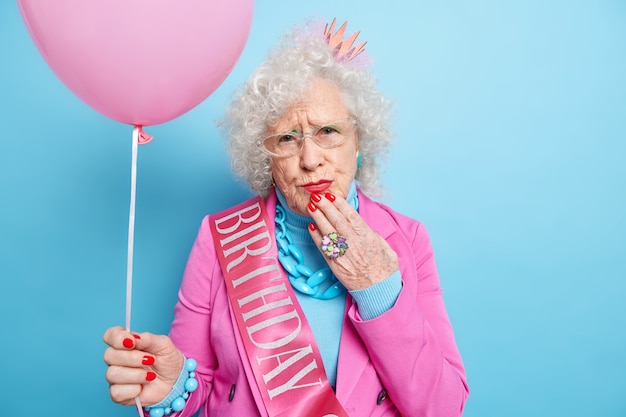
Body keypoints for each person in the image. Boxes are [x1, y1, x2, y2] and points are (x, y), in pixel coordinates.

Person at [103, 18, 469, 417]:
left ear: (360, 141)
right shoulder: (218, 236)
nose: (310, 160)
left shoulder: (408, 239)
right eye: (288, 139)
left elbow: (443, 408)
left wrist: (377, 289)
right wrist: (172, 387)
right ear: (266, 155)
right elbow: (200, 389)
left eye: (328, 131)